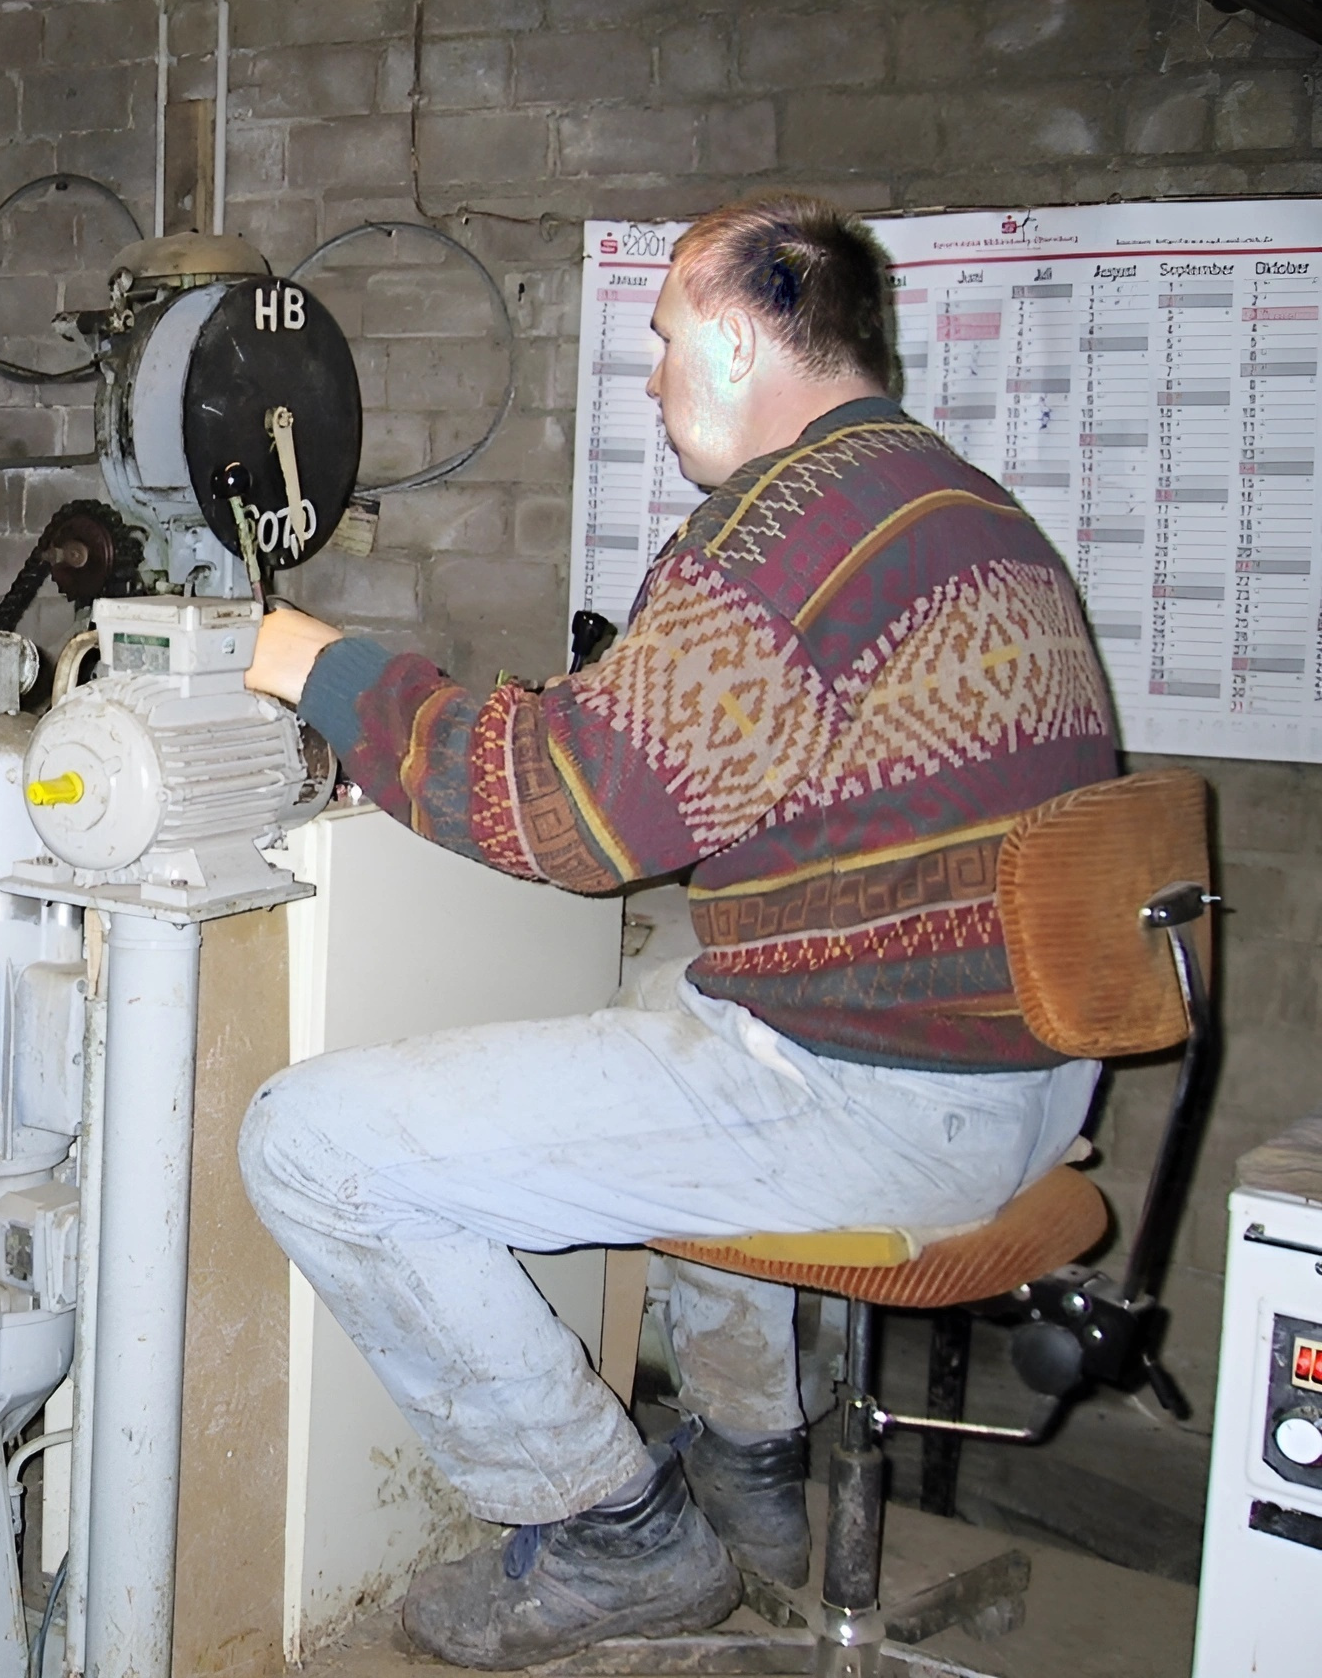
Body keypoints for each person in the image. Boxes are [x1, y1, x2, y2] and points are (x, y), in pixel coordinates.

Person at [238, 196, 1117, 1669]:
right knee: (678, 978)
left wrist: (326, 671)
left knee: (309, 1141)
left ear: (727, 334)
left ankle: (608, 1533)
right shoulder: (964, 507)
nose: (649, 380)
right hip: (1027, 1086)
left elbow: (564, 815)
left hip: (888, 1107)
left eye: (658, 341)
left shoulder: (777, 531)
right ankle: (751, 1475)